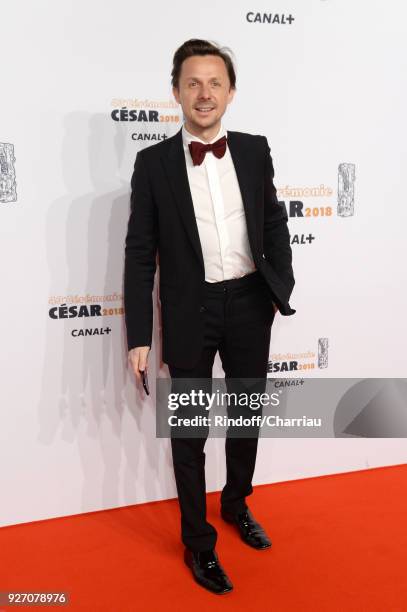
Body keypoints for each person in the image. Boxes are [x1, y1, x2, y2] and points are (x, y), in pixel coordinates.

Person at [124, 38, 296, 595]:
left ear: (231, 92)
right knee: (190, 434)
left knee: (246, 417)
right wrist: (138, 335)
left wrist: (278, 287)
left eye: (214, 83)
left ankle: (237, 502)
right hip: (189, 309)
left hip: (249, 303)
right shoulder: (152, 165)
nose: (204, 94)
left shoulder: (254, 149)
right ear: (175, 91)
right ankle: (199, 545)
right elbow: (138, 251)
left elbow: (273, 221)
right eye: (193, 83)